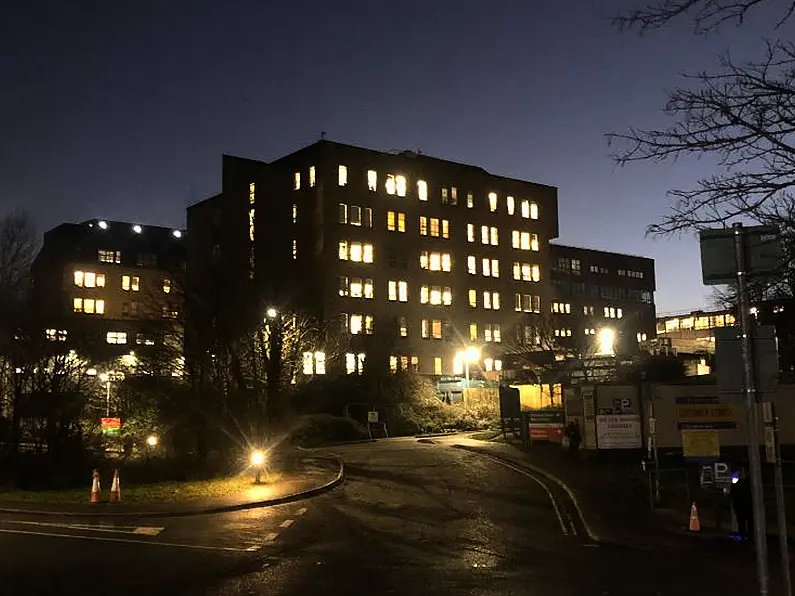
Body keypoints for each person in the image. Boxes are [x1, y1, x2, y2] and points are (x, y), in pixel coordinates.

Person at [731, 467, 754, 542]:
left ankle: (746, 536)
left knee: (744, 522)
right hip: (743, 505)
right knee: (745, 522)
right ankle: (748, 536)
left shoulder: (743, 484)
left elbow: (733, 494)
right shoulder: (746, 484)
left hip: (743, 505)